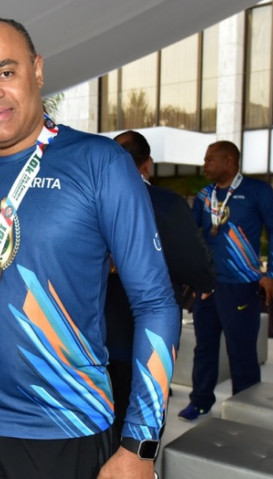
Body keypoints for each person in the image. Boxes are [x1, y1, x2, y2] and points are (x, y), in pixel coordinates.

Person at [0, 17, 179, 479]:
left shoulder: (100, 163)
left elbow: (156, 303)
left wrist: (140, 445)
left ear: (38, 70)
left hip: (69, 427)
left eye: (6, 72)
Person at [106, 130, 215, 433]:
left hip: (89, 335)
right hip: (148, 334)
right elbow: (193, 261)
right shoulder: (165, 203)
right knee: (142, 420)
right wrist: (205, 283)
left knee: (100, 421)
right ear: (148, 164)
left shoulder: (86, 201)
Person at [178, 140, 273, 421]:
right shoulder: (204, 195)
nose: (205, 165)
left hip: (241, 286)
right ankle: (200, 401)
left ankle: (245, 408)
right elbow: (193, 236)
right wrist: (196, 276)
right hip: (208, 286)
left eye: (210, 159)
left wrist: (272, 274)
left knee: (242, 351)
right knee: (204, 347)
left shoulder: (258, 191)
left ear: (229, 161)